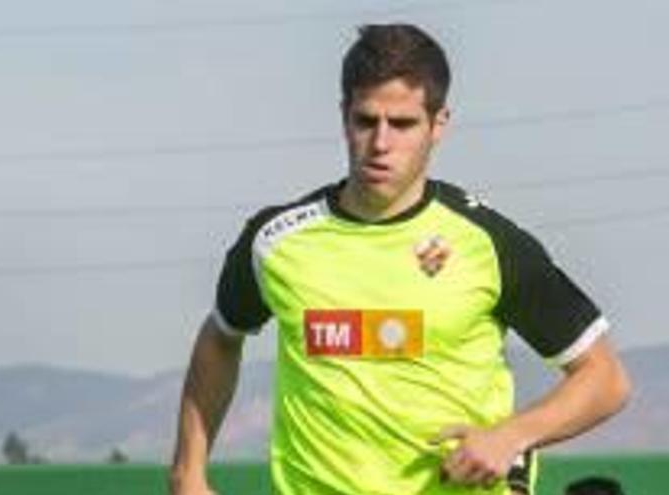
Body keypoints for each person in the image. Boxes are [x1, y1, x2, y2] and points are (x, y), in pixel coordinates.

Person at [169, 23, 631, 495]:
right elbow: (221, 337)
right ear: (343, 116)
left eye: (403, 124)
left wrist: (510, 436)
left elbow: (605, 378)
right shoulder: (277, 241)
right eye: (366, 121)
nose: (381, 143)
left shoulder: (489, 244)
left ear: (438, 124)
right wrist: (189, 473)